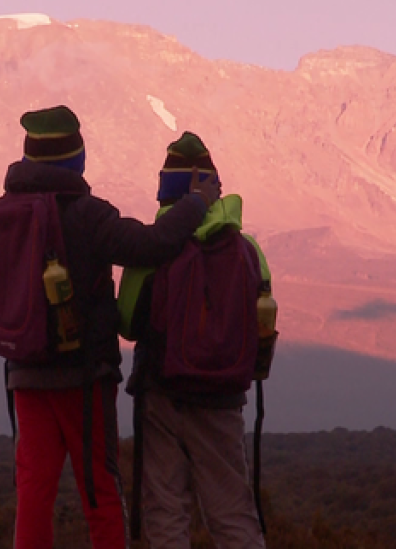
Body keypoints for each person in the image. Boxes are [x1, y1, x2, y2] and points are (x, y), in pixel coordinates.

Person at [1, 106, 220, 549]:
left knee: (34, 493)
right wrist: (198, 202)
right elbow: (150, 245)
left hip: (24, 375)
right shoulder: (88, 215)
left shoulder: (4, 216)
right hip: (84, 379)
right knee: (100, 491)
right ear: (75, 160)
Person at [118, 131, 270, 548]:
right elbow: (263, 321)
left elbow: (128, 321)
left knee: (166, 510)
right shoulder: (248, 250)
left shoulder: (155, 248)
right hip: (222, 403)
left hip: (161, 396)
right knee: (233, 513)